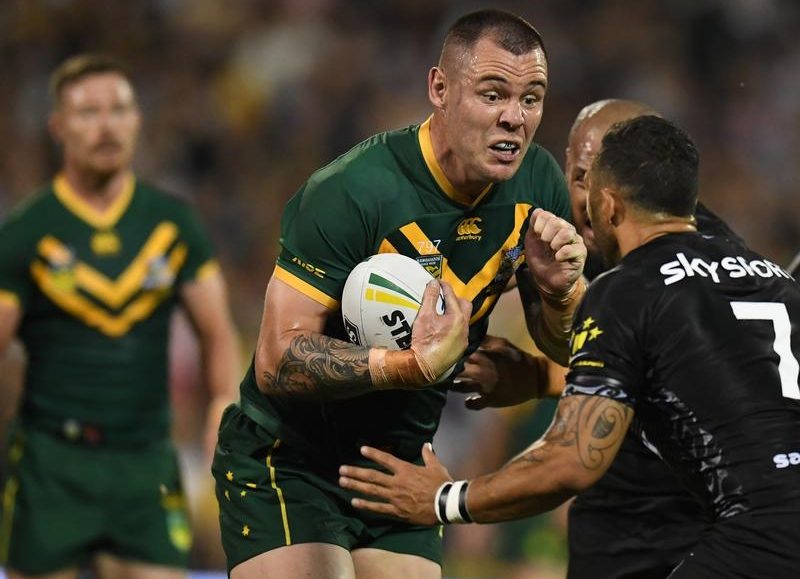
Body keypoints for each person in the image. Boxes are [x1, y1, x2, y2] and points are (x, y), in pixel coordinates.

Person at [211, 9, 586, 579]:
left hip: (397, 464)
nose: (514, 117)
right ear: (440, 88)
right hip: (289, 457)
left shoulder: (538, 185)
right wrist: (407, 366)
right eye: (492, 94)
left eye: (531, 99)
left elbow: (563, 347)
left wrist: (560, 295)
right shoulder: (352, 191)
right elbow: (276, 359)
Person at [339, 115, 800, 579]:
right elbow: (717, 381)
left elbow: (572, 460)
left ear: (609, 204)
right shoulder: (775, 280)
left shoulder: (627, 289)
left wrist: (444, 499)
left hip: (762, 535)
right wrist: (541, 377)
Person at [0, 54, 240, 579]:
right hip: (50, 464)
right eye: (88, 113)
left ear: (138, 120)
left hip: (145, 461)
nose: (107, 126)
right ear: (57, 127)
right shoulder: (26, 233)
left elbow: (217, 332)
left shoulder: (173, 226)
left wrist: (222, 404)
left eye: (120, 109)